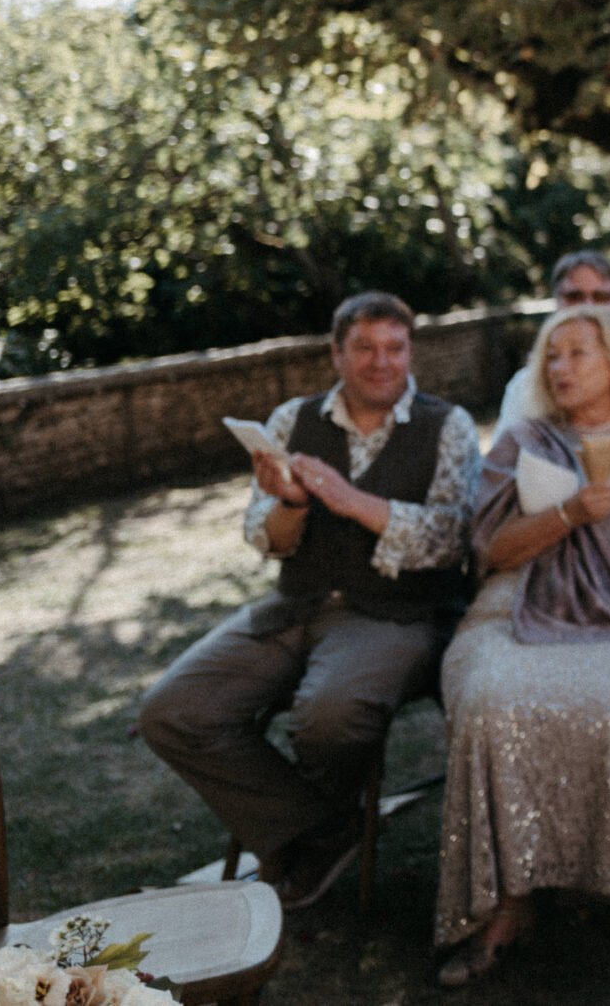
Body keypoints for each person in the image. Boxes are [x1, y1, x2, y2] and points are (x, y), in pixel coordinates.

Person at [138, 292, 477, 910]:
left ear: (411, 351)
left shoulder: (447, 425)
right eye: (365, 348)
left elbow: (452, 540)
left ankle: (301, 836)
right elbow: (263, 539)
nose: (381, 362)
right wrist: (292, 504)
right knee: (171, 710)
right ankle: (322, 829)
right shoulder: (294, 419)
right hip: (295, 606)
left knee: (327, 714)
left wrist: (350, 500)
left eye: (395, 348)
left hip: (396, 615)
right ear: (336, 354)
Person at [435, 303, 610, 985]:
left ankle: (588, 881)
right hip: (521, 599)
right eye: (551, 356)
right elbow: (491, 549)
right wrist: (567, 513)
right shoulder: (524, 438)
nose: (560, 368)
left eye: (577, 353)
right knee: (490, 699)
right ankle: (506, 903)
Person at [494, 251, 610, 432]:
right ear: (558, 303)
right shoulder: (524, 384)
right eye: (575, 296)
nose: (588, 306)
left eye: (600, 296)